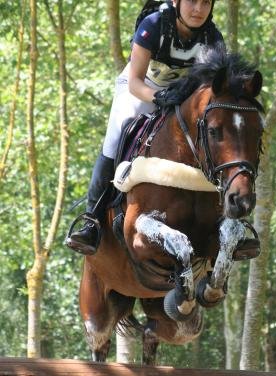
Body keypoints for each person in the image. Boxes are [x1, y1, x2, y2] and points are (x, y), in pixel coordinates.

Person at [66, 0, 224, 255]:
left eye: (206, 2)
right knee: (117, 134)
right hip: (142, 90)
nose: (198, 9)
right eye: (192, 1)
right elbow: (135, 82)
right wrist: (159, 97)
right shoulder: (153, 25)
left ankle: (230, 219)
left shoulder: (212, 38)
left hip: (183, 99)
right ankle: (91, 220)